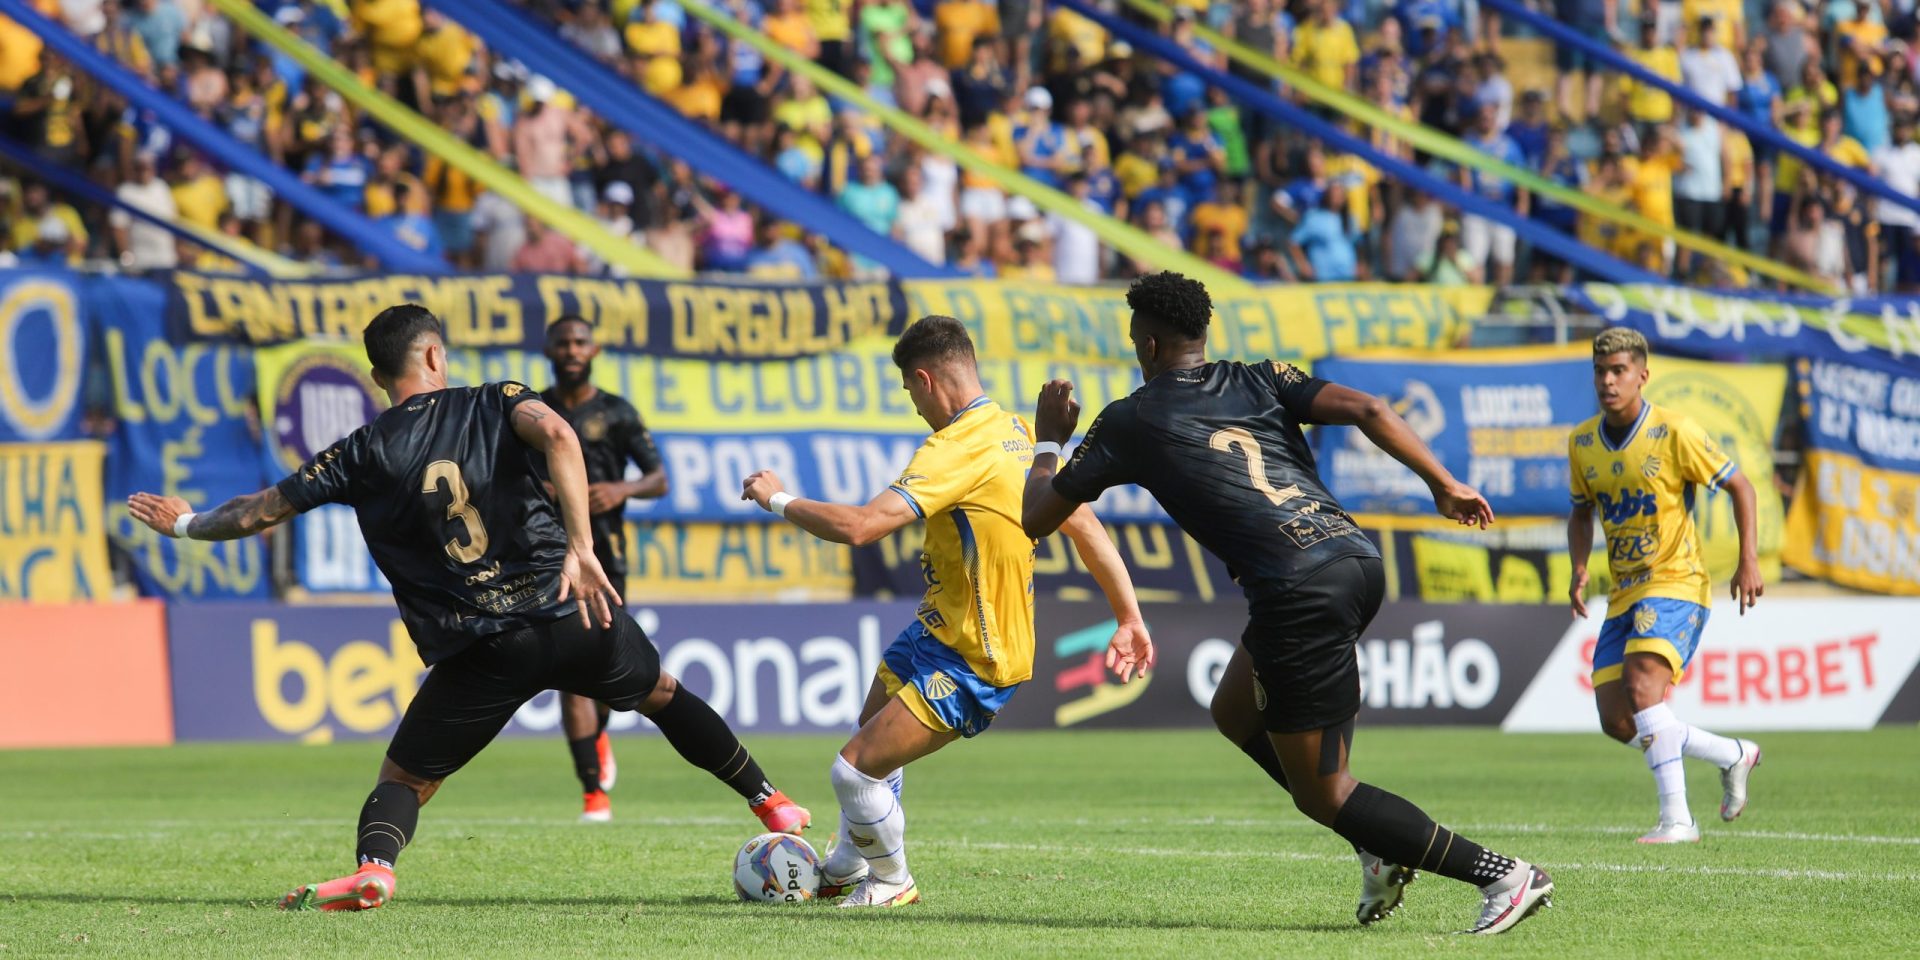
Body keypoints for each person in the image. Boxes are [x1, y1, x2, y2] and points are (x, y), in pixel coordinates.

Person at [127, 305, 808, 912]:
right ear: (432, 355)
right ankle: (771, 802)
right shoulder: (498, 398)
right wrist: (580, 547)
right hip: (569, 609)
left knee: (405, 778)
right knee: (661, 693)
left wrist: (187, 525)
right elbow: (562, 438)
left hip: (481, 647)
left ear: (378, 377)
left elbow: (258, 511)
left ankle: (377, 871)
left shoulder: (358, 452)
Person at [1019, 272, 1553, 935]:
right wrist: (1442, 484)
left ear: (1149, 345)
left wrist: (1048, 440)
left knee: (1326, 793)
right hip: (1355, 560)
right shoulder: (1261, 376)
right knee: (1233, 708)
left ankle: (1501, 874)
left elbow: (1037, 517)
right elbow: (1371, 410)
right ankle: (1375, 847)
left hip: (1296, 590)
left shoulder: (1130, 419)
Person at [739, 317, 1149, 908]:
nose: (915, 407)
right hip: (936, 630)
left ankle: (892, 880)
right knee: (870, 744)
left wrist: (778, 498)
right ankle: (851, 865)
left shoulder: (955, 448)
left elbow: (862, 527)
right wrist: (1130, 617)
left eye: (910, 393)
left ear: (926, 379)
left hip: (977, 656)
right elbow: (1086, 528)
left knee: (853, 774)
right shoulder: (1016, 434)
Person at [1566, 327, 1764, 844]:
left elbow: (1740, 486)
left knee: (1643, 688)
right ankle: (1732, 754)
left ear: (1642, 376)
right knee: (1616, 718)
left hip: (1677, 580)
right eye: (1600, 372)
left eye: (1618, 372)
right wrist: (1579, 567)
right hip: (1624, 590)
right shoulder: (1582, 442)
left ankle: (1678, 820)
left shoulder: (1675, 431)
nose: (1608, 382)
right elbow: (1581, 509)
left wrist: (1748, 560)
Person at [539, 316, 672, 823]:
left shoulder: (616, 413)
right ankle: (593, 792)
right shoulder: (534, 409)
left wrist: (621, 489)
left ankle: (597, 737)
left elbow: (659, 478)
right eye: (563, 343)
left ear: (593, 349)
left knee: (608, 673)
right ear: (549, 349)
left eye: (579, 342)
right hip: (548, 555)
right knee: (572, 673)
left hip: (606, 558)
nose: (572, 350)